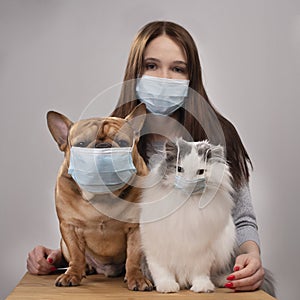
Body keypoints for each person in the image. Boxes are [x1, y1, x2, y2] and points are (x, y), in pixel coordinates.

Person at [27, 21, 266, 293]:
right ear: (135, 72)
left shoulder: (219, 135)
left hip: (205, 276)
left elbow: (242, 218)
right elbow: (97, 219)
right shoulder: (111, 139)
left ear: (191, 77)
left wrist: (251, 254)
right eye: (151, 66)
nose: (163, 78)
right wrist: (64, 256)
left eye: (177, 69)